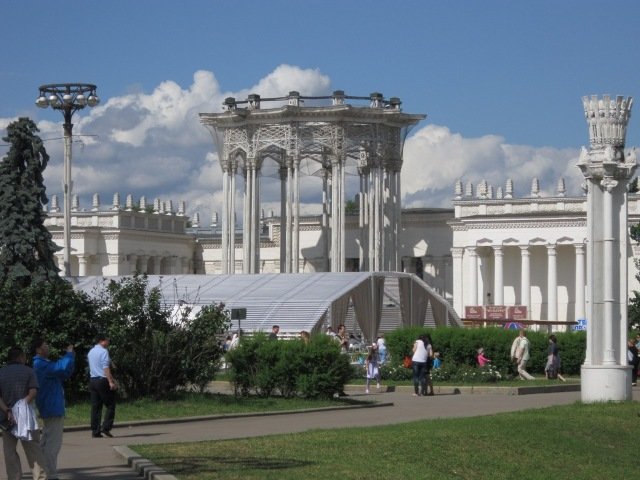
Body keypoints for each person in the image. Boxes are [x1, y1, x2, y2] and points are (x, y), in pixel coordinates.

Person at [0, 347, 56, 480]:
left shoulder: (1, 373)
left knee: (10, 453)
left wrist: (7, 410)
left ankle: (14, 477)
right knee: (34, 451)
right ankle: (40, 477)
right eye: (24, 357)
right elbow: (33, 392)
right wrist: (22, 405)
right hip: (26, 419)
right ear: (20, 357)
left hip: (6, 419)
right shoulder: (29, 371)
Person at [31, 338, 75, 480]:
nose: (48, 346)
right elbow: (61, 368)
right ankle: (50, 475)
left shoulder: (44, 364)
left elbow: (65, 372)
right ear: (38, 350)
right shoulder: (41, 364)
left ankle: (43, 474)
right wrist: (68, 354)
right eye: (45, 345)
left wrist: (70, 358)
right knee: (53, 445)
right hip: (52, 407)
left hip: (50, 407)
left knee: (45, 444)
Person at [88, 334, 117, 438]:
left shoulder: (91, 352)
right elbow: (105, 368)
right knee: (110, 405)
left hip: (93, 380)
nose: (108, 342)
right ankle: (106, 427)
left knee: (96, 407)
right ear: (102, 341)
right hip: (102, 380)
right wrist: (111, 381)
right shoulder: (104, 351)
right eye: (107, 340)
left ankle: (95, 431)